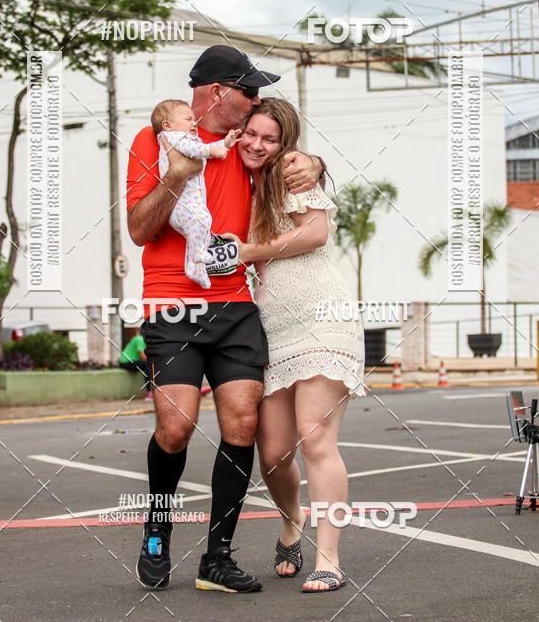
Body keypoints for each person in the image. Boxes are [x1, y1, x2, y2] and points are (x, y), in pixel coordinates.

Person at [126, 45, 323, 594]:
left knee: (240, 423)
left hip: (235, 306)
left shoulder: (245, 144)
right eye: (250, 91)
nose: (258, 101)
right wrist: (177, 173)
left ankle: (217, 557)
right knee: (176, 425)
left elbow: (292, 163)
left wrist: (315, 163)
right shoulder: (155, 139)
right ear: (220, 93)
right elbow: (141, 229)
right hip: (172, 304)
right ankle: (157, 535)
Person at [223, 98, 365, 593]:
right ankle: (292, 520)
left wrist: (250, 253)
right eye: (252, 134)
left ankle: (329, 560)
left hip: (326, 318)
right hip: (274, 330)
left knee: (316, 436)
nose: (257, 145)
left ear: (287, 146)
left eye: (270, 139)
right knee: (275, 454)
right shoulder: (236, 175)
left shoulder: (292, 173)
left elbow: (317, 232)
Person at [151, 98, 241, 288]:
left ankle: (195, 268)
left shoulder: (188, 140)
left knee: (200, 233)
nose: (194, 123)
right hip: (183, 206)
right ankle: (197, 257)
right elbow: (196, 150)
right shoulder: (173, 138)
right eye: (188, 119)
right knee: (202, 221)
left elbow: (202, 148)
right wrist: (215, 151)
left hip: (188, 207)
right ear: (167, 125)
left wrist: (225, 143)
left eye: (194, 119)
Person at [119, 328, 152, 401]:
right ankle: (149, 393)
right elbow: (143, 357)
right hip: (125, 362)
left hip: (133, 361)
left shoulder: (144, 341)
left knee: (149, 365)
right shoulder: (139, 339)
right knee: (147, 365)